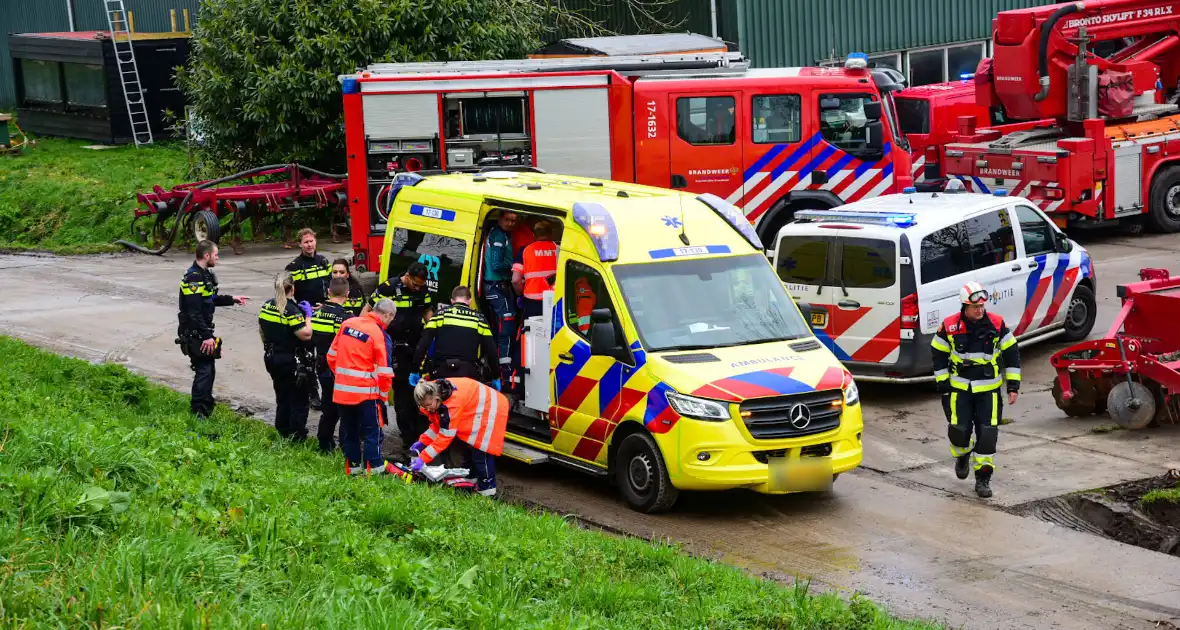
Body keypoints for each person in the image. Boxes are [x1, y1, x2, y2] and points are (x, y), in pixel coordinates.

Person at [931, 280, 1021, 499]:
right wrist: (943, 382)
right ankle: (962, 455)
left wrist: (1013, 385)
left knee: (988, 434)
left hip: (989, 391)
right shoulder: (950, 325)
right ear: (965, 306)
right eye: (975, 307)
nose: (980, 310)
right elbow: (938, 353)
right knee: (958, 431)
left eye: (982, 306)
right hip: (958, 390)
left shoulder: (997, 324)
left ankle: (983, 478)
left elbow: (1012, 354)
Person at [363, 262, 435, 457]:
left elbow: (427, 312)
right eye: (415, 284)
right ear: (407, 275)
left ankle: (421, 440)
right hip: (393, 347)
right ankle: (408, 441)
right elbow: (368, 310)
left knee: (419, 396)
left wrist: (434, 332)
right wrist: (363, 334)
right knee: (403, 399)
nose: (418, 288)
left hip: (415, 347)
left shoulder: (423, 290)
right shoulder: (388, 288)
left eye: (421, 285)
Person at [327, 298, 404, 476]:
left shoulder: (347, 324)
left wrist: (343, 379)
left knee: (350, 432)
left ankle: (353, 470)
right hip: (366, 395)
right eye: (391, 319)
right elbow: (385, 372)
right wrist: (383, 396)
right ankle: (374, 473)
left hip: (342, 392)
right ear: (388, 315)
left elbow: (331, 356)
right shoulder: (379, 335)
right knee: (373, 434)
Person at [177, 240, 248, 419]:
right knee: (204, 370)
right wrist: (207, 336)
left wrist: (233, 299)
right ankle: (199, 413)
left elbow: (211, 299)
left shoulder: (204, 274)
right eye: (216, 254)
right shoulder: (193, 277)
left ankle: (205, 408)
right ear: (206, 255)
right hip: (195, 332)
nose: (218, 257)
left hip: (202, 330)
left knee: (209, 370)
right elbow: (194, 312)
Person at [409, 378, 508, 497]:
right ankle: (471, 479)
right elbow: (437, 425)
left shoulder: (451, 404)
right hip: (476, 407)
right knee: (467, 445)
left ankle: (488, 493)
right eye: (424, 407)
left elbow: (445, 437)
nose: (428, 409)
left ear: (436, 398)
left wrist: (423, 458)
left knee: (481, 451)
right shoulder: (433, 393)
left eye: (429, 405)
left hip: (491, 407)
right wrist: (422, 442)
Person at [258, 272, 315, 442]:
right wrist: (308, 317)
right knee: (298, 400)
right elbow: (305, 335)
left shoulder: (267, 305)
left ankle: (282, 430)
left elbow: (261, 330)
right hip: (291, 361)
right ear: (292, 288)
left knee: (282, 396)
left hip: (272, 357)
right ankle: (296, 437)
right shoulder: (290, 309)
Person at [411, 285, 500, 387]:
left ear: (452, 301)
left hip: (441, 373)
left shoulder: (440, 315)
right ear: (470, 301)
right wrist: (496, 376)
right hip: (468, 374)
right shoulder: (480, 319)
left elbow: (423, 345)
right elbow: (491, 351)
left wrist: (415, 369)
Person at [286, 228, 332, 411]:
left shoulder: (323, 261)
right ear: (300, 244)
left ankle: (329, 393)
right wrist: (299, 311)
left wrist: (326, 304)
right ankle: (313, 394)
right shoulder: (293, 267)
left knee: (325, 356)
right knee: (307, 358)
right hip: (305, 315)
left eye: (312, 241)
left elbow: (332, 285)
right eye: (306, 242)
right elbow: (286, 293)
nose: (310, 245)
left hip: (324, 312)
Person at [311, 277, 352, 453]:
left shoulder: (317, 313)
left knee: (328, 408)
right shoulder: (344, 317)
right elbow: (347, 345)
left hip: (321, 367)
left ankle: (324, 444)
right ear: (348, 294)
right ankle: (346, 447)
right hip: (339, 369)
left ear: (328, 292)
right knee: (346, 412)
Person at [482, 210, 517, 386]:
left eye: (514, 220)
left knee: (502, 326)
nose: (511, 223)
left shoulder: (503, 234)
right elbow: (496, 265)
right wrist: (516, 265)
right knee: (506, 325)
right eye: (508, 219)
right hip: (495, 286)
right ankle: (504, 370)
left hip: (499, 287)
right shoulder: (498, 235)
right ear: (500, 218)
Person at [511, 219, 559, 320]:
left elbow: (515, 280)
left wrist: (519, 293)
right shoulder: (559, 250)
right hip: (555, 300)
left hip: (532, 302)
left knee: (533, 332)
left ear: (534, 235)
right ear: (551, 234)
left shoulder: (524, 251)